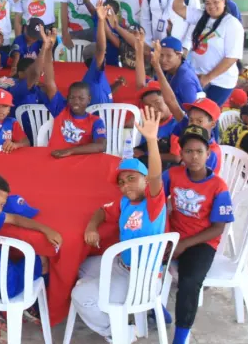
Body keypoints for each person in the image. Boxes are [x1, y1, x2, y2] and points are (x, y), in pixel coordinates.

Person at [0, 112, 61, 343]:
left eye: (2, 203)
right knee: (43, 259)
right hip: (6, 285)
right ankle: (29, 307)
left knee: (13, 261)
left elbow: (14, 220)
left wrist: (44, 229)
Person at [74, 107, 167, 341]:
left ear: (145, 180)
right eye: (122, 182)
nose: (126, 186)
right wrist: (91, 227)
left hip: (141, 278)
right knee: (80, 266)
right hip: (122, 266)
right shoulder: (125, 201)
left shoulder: (153, 202)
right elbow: (101, 212)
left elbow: (156, 175)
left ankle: (117, 332)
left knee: (81, 294)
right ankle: (115, 311)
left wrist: (151, 141)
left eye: (132, 179)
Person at [163, 124, 235, 344]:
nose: (193, 156)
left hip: (202, 241)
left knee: (189, 282)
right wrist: (165, 235)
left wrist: (184, 244)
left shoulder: (218, 186)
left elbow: (218, 228)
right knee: (143, 264)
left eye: (199, 151)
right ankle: (154, 308)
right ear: (181, 154)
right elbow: (156, 202)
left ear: (208, 154)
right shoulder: (172, 174)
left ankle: (181, 337)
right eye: (188, 151)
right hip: (174, 235)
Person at [173, 0, 244, 108]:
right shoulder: (201, 16)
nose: (212, 6)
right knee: (195, 112)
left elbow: (231, 58)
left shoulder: (232, 24)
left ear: (224, 2)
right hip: (198, 76)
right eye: (208, 3)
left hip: (220, 81)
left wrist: (207, 78)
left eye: (216, 2)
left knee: (207, 115)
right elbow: (177, 7)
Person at [37, 27, 107, 158]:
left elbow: (101, 145)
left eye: (81, 98)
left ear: (89, 99)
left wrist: (71, 151)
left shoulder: (95, 121)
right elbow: (50, 83)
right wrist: (48, 50)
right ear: (67, 98)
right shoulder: (62, 109)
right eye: (72, 97)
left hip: (80, 163)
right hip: (56, 159)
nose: (76, 102)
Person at [139, 36, 202, 109]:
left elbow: (192, 110)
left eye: (169, 56)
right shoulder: (169, 67)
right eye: (161, 55)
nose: (163, 60)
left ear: (179, 55)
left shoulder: (185, 79)